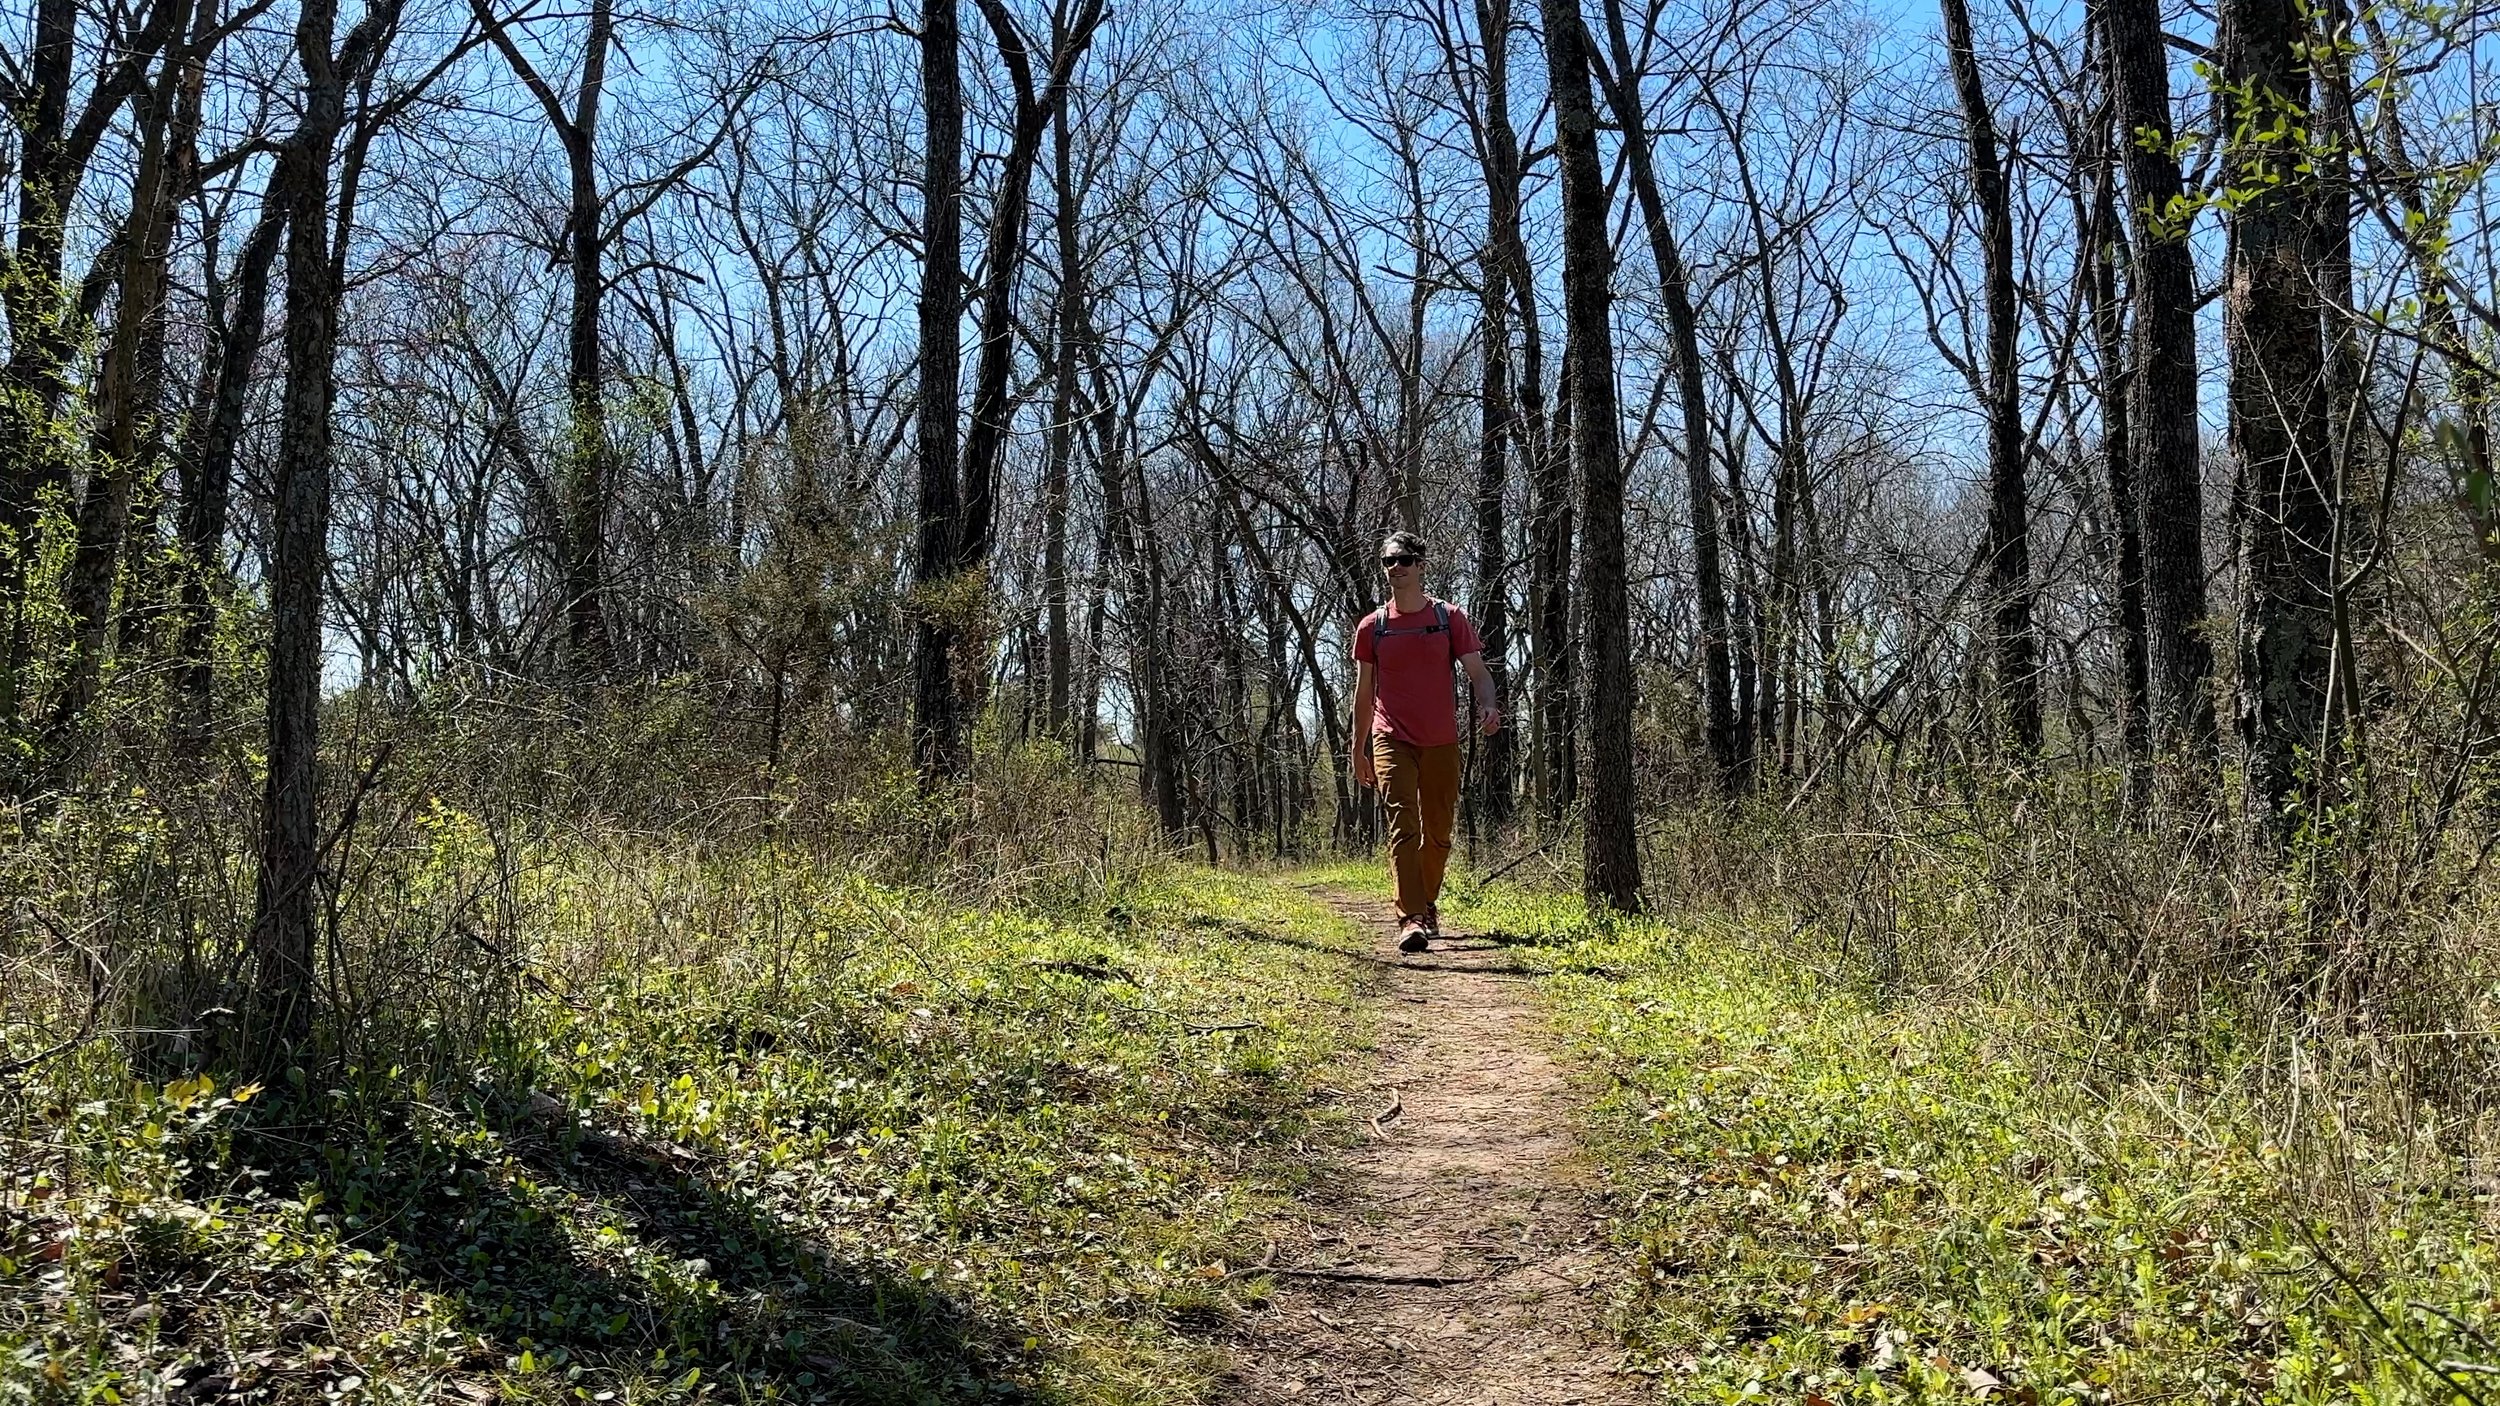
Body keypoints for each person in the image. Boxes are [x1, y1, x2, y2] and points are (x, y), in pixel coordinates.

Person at [1350, 531, 1502, 953]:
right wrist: (1357, 748)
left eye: (1402, 560)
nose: (1394, 568)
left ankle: (1427, 901)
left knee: (1437, 833)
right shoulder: (1372, 627)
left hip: (1440, 741)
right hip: (1389, 736)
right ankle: (1411, 918)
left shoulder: (1448, 618)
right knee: (1403, 826)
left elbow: (1480, 674)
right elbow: (1364, 695)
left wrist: (1488, 707)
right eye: (1387, 562)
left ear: (1420, 565)